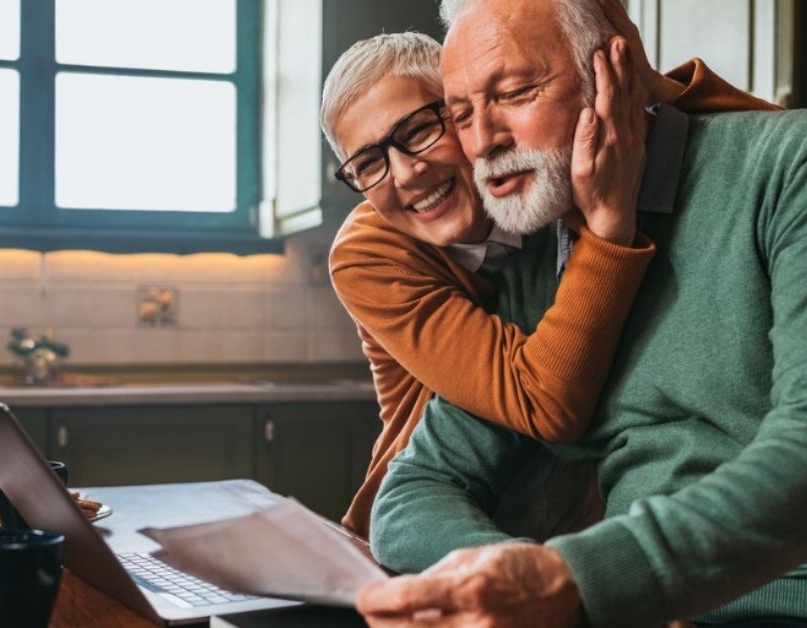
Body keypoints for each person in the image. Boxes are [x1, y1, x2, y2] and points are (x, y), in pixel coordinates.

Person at [358, 0, 807, 626]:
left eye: (516, 92)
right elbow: (414, 490)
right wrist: (521, 577)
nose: (484, 140)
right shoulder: (536, 257)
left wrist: (577, 578)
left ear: (612, 64)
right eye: (462, 114)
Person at [325, 0, 777, 538]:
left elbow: (758, 153)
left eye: (421, 129)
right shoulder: (372, 249)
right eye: (369, 164)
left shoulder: (550, 183)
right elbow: (539, 400)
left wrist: (644, 81)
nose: (406, 172)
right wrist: (607, 228)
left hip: (572, 514)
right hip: (447, 518)